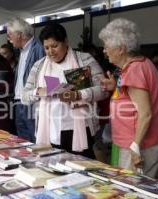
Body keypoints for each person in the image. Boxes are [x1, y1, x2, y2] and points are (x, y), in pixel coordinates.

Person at [21, 23, 108, 158]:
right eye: (46, 47)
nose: (50, 51)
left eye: (55, 46)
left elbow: (103, 89)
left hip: (80, 128)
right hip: (49, 129)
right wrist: (38, 91)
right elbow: (24, 96)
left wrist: (79, 94)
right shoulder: (39, 66)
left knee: (81, 167)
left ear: (66, 41)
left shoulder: (84, 60)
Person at [99, 18, 158, 177]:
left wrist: (135, 147)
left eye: (107, 46)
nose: (104, 50)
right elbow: (134, 98)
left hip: (138, 145)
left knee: (130, 190)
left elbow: (145, 114)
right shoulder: (142, 63)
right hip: (142, 142)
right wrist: (116, 86)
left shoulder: (134, 70)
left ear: (121, 49)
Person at [6, 17, 45, 142]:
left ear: (19, 34)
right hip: (19, 102)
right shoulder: (21, 51)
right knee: (23, 141)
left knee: (35, 139)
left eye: (10, 35)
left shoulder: (39, 48)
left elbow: (46, 77)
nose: (9, 39)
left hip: (32, 103)